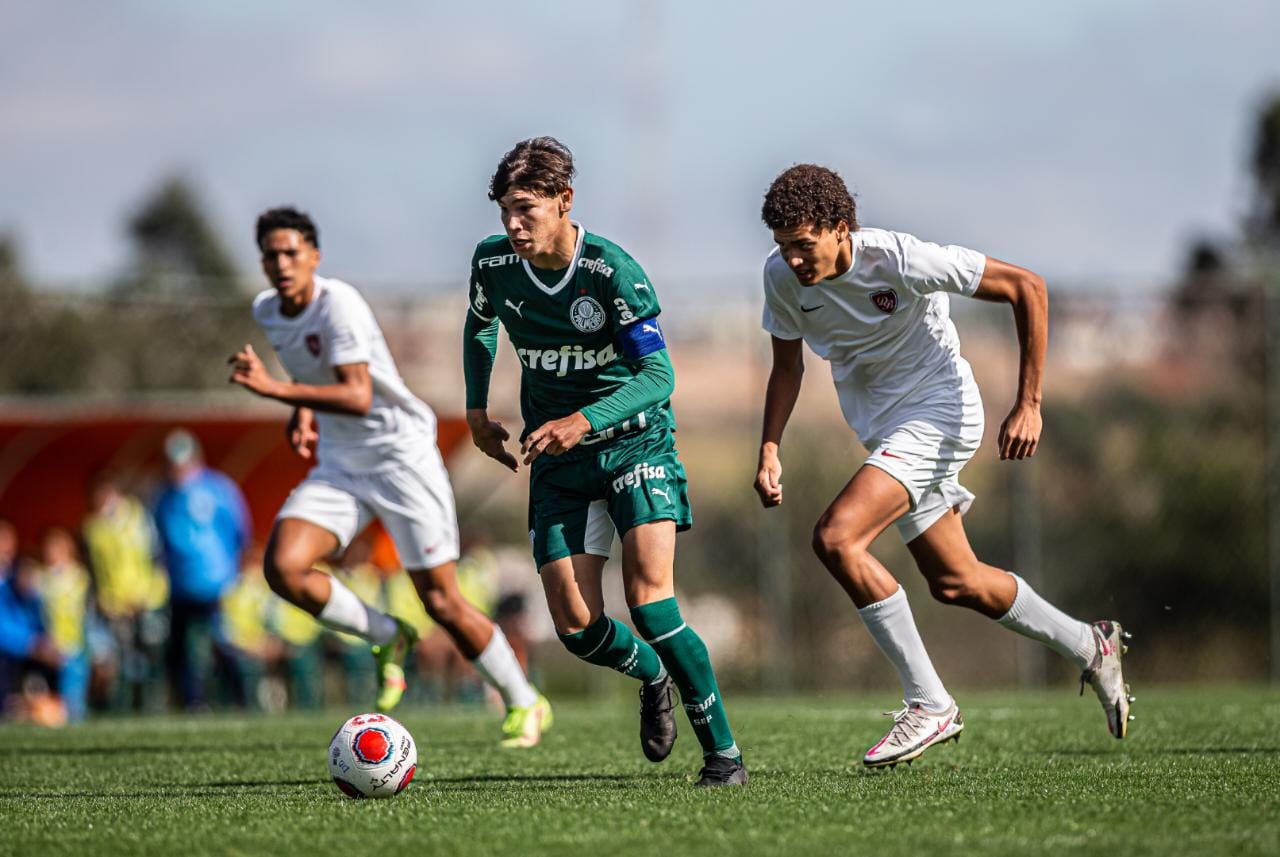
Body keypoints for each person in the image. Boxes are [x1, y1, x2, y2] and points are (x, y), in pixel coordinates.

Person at [754, 164, 1133, 768]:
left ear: (841, 228)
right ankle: (1091, 644)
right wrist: (771, 445)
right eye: (784, 247)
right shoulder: (781, 278)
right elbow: (787, 367)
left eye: (805, 244)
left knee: (837, 539)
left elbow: (1027, 287)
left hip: (940, 412)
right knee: (956, 582)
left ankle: (929, 704)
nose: (794, 259)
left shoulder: (901, 259)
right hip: (884, 431)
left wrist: (1029, 403)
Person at [464, 137, 746, 786]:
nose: (513, 224)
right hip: (559, 461)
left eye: (526, 208)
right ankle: (651, 675)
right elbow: (479, 324)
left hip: (635, 444)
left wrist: (582, 419)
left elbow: (660, 375)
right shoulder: (494, 262)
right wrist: (478, 411)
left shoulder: (612, 272)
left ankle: (723, 755)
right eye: (506, 209)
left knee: (650, 602)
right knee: (575, 625)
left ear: (566, 202)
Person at [228, 206, 550, 747]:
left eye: (291, 253)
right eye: (270, 255)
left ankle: (525, 701)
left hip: (402, 458)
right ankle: (385, 635)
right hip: (342, 463)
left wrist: (276, 392)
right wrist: (302, 412)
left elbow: (357, 393)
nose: (281, 264)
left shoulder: (340, 304)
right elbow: (314, 373)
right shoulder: (269, 310)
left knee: (442, 602)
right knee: (283, 567)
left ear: (314, 256)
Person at [153, 429, 252, 710]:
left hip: (216, 580)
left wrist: (233, 568)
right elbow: (159, 537)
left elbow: (238, 529)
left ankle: (238, 700)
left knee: (223, 644)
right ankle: (192, 702)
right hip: (180, 583)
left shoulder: (219, 488)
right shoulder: (162, 495)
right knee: (181, 649)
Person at [82, 470, 169, 712]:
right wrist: (106, 602)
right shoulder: (92, 528)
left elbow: (155, 556)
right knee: (122, 660)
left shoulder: (139, 517)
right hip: (115, 606)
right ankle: (124, 710)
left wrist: (149, 595)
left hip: (147, 600)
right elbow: (95, 571)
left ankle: (153, 708)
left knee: (152, 656)